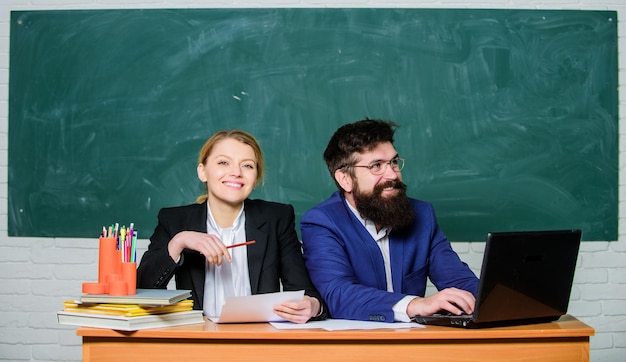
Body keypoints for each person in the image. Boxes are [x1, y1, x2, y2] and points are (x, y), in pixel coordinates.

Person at [137, 129, 326, 323]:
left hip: (258, 338)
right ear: (203, 171)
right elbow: (143, 288)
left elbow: (305, 291)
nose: (236, 172)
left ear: (255, 178)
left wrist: (313, 306)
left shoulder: (276, 218)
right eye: (223, 162)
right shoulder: (175, 220)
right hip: (197, 339)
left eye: (247, 165)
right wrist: (179, 242)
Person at [300, 119, 478, 322]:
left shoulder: (422, 214)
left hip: (414, 342)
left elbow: (458, 280)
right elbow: (338, 293)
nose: (392, 174)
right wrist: (415, 305)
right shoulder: (322, 222)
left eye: (393, 162)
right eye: (376, 166)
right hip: (352, 344)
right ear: (345, 179)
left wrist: (498, 299)